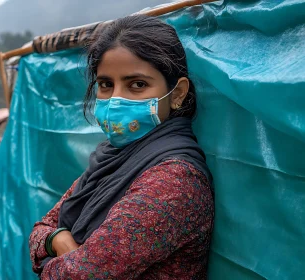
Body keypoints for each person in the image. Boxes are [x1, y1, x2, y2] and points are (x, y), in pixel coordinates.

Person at [29, 15, 214, 279]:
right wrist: (57, 239)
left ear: (177, 94)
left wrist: (51, 253)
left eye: (137, 85)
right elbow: (40, 229)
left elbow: (79, 275)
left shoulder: (174, 180)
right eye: (106, 84)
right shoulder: (109, 160)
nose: (116, 99)